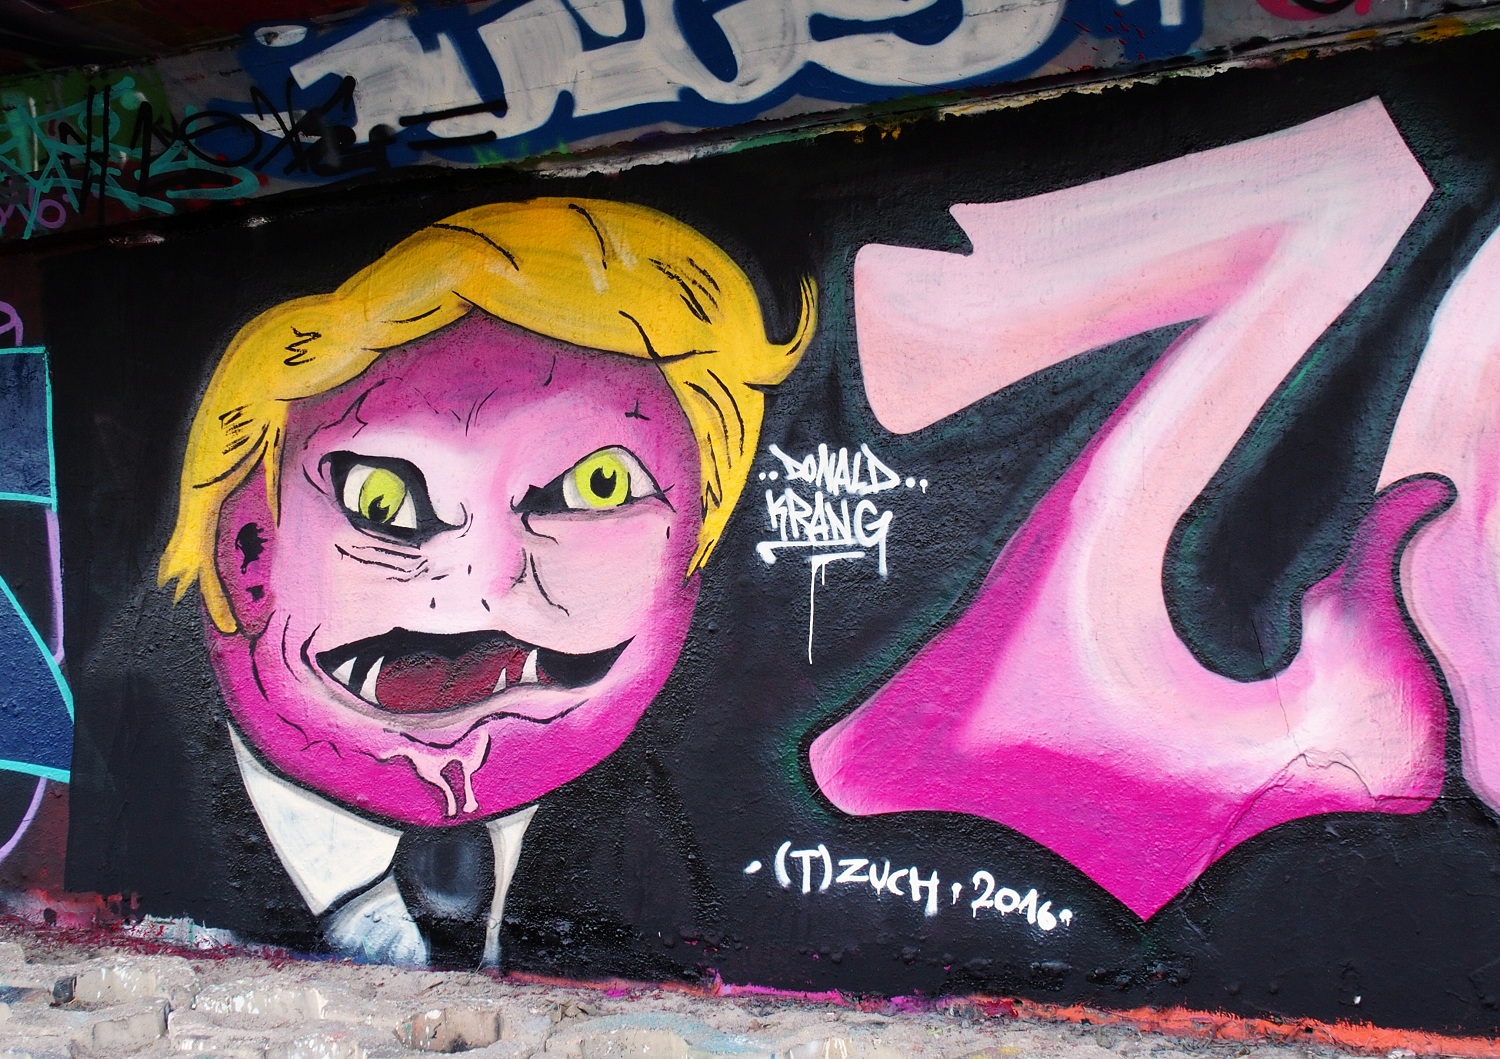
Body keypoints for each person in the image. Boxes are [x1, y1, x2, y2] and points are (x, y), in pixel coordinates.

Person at [157, 198, 814, 966]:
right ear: (246, 549)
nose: (481, 588)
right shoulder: (122, 806)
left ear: (690, 557)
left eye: (597, 486)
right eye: (382, 501)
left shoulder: (679, 862)